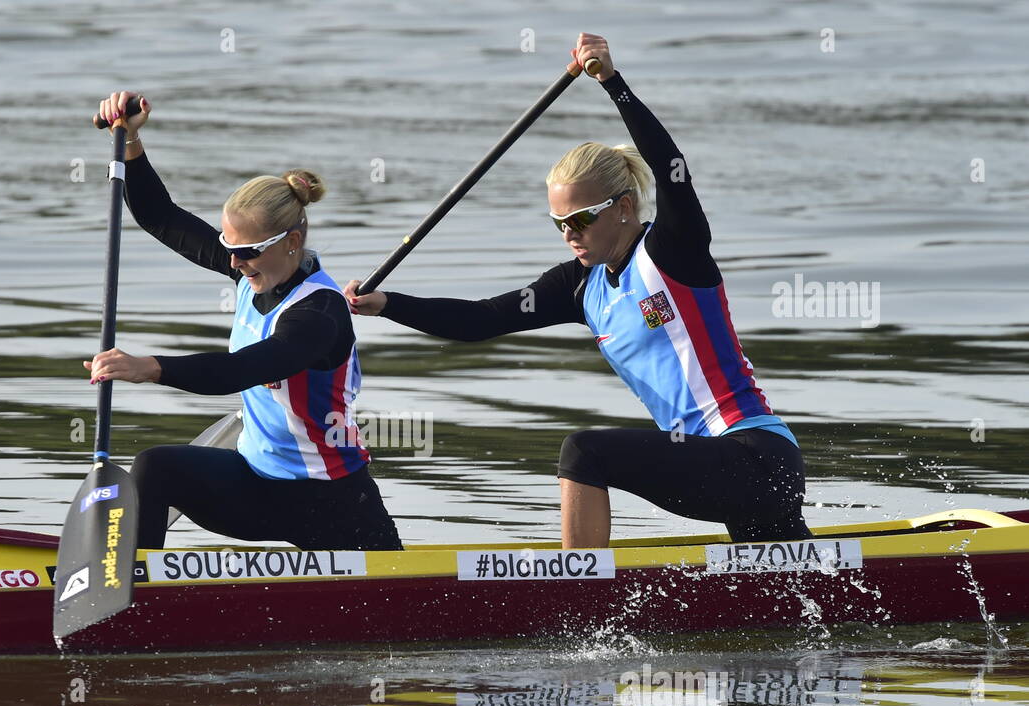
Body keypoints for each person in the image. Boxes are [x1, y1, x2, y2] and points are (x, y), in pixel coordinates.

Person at [346, 34, 810, 548]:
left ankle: (578, 598)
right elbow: (479, 320)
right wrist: (389, 305)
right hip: (710, 466)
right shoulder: (577, 285)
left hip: (755, 456)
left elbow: (672, 169)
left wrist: (613, 83)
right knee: (811, 595)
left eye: (581, 219)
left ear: (625, 207)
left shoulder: (675, 251)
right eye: (558, 221)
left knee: (584, 452)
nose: (569, 233)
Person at [84, 90, 402, 552]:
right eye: (228, 248)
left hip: (329, 499)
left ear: (292, 241)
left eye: (246, 252)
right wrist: (131, 141)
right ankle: (137, 589)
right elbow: (159, 217)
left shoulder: (320, 313)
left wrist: (148, 367)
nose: (233, 263)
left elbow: (244, 368)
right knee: (157, 468)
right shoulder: (251, 266)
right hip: (257, 483)